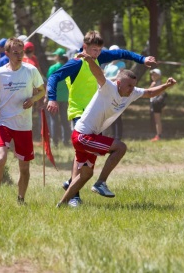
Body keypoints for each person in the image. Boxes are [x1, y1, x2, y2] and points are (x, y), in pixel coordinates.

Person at [47, 30, 157, 207]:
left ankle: (71, 182)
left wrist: (142, 59)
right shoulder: (76, 63)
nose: (97, 54)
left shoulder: (99, 57)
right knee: (80, 154)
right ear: (85, 47)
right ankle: (74, 197)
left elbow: (122, 53)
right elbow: (54, 76)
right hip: (79, 111)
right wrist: (52, 97)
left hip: (96, 111)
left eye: (99, 50)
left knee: (88, 153)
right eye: (93, 50)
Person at [56, 52, 176, 208]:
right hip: (82, 135)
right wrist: (89, 60)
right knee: (120, 147)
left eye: (134, 85)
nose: (132, 89)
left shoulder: (131, 93)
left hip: (89, 136)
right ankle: (101, 183)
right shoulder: (108, 87)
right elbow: (98, 73)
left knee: (86, 174)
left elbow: (150, 92)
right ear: (118, 82)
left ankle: (62, 204)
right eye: (129, 86)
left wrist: (166, 85)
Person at [0, 37, 45, 206]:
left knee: (24, 168)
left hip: (24, 125)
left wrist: (33, 99)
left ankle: (21, 200)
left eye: (21, 52)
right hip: (3, 121)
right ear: (7, 53)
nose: (19, 55)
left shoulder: (31, 70)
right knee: (1, 158)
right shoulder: (0, 73)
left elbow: (42, 90)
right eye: (15, 52)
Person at [47, 48, 69, 146]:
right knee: (64, 119)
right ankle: (66, 141)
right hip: (65, 97)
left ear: (58, 57)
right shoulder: (69, 68)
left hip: (54, 98)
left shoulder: (53, 68)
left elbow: (49, 82)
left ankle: (54, 142)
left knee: (54, 120)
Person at [104, 45, 126, 140]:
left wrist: (106, 80)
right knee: (110, 115)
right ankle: (113, 136)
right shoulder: (107, 65)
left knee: (117, 115)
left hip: (117, 92)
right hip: (107, 92)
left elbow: (118, 77)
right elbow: (103, 76)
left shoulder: (121, 64)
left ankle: (118, 137)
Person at [148, 68, 167, 141]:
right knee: (157, 119)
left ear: (159, 75)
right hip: (155, 102)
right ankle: (158, 134)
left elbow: (150, 92)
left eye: (155, 74)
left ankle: (158, 135)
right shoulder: (156, 82)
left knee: (157, 120)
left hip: (156, 102)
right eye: (152, 74)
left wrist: (152, 86)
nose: (153, 76)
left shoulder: (157, 83)